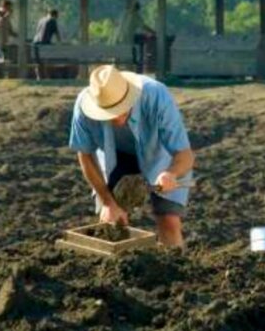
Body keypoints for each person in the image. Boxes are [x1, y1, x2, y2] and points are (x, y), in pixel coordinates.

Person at [69, 64, 195, 248]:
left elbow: (185, 154)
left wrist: (171, 174)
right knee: (112, 221)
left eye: (122, 109)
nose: (118, 119)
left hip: (160, 154)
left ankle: (177, 266)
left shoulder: (156, 95)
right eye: (109, 113)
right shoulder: (83, 108)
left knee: (169, 220)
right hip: (116, 156)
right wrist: (107, 202)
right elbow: (86, 156)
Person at [32, 8, 65, 80]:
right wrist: (61, 44)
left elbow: (38, 31)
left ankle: (39, 77)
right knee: (48, 60)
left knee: (38, 62)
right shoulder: (53, 20)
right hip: (44, 43)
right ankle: (48, 76)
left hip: (35, 42)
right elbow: (57, 34)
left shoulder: (41, 20)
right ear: (55, 15)